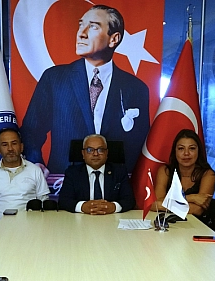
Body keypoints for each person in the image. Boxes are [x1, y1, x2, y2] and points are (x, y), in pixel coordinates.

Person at [21, 4, 150, 175]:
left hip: (113, 184)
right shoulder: (54, 78)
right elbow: (31, 130)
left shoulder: (136, 88)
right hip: (63, 181)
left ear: (114, 39)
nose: (81, 33)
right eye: (81, 25)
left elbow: (139, 143)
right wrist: (36, 162)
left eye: (93, 26)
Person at [0, 128, 50, 234]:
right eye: (5, 145)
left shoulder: (35, 171)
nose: (10, 148)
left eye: (14, 143)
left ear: (21, 147)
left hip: (28, 231)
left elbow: (44, 203)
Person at [59, 134, 135, 214]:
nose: (95, 154)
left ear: (106, 153)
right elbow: (64, 200)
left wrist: (113, 207)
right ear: (83, 154)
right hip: (82, 218)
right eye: (90, 150)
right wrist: (82, 207)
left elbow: (129, 200)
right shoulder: (72, 173)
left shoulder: (119, 172)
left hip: (111, 218)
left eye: (100, 150)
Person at [151, 129, 215, 216]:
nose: (186, 153)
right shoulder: (165, 171)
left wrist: (167, 203)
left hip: (197, 223)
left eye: (192, 148)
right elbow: (156, 205)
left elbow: (197, 210)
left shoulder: (208, 174)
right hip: (168, 221)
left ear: (199, 151)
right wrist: (191, 198)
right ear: (175, 151)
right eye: (181, 148)